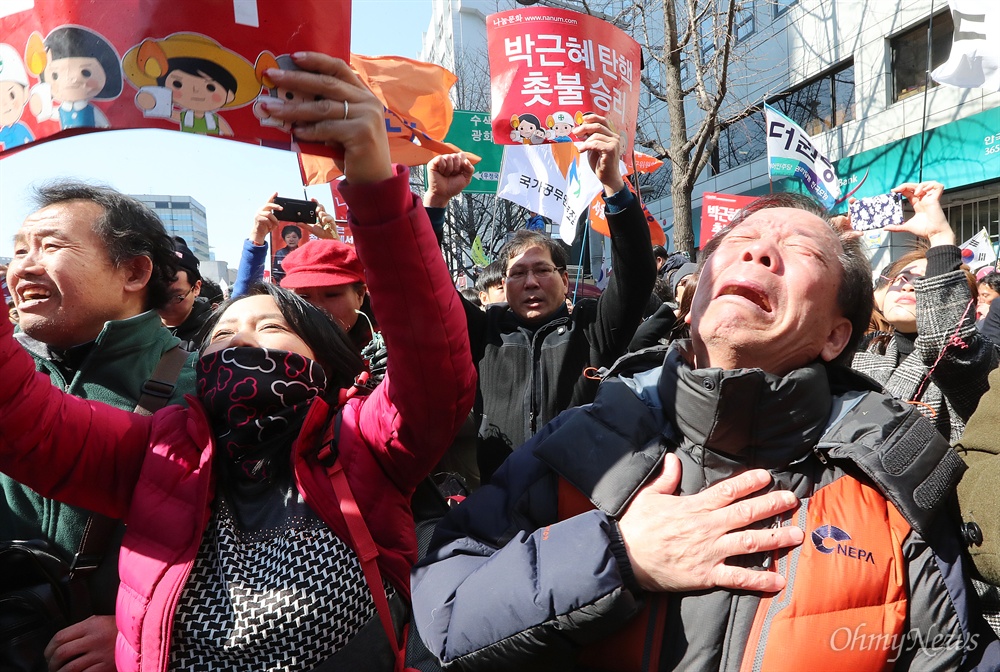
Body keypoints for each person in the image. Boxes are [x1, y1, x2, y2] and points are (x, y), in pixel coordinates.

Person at [0, 52, 475, 672]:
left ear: (323, 359)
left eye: (271, 326)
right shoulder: (159, 454)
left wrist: (373, 180)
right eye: (223, 336)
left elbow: (432, 358)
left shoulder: (365, 444)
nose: (241, 340)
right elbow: (24, 423)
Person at [411, 192, 999, 671]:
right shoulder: (582, 446)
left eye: (802, 252)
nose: (759, 255)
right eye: (740, 242)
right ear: (692, 306)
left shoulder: (896, 482)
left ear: (836, 336)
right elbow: (446, 614)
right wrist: (614, 557)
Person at [3, 182, 194, 672]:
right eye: (19, 250)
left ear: (133, 271)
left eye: (50, 245)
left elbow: (245, 544)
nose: (22, 267)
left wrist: (143, 629)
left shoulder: (199, 388)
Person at [422, 122, 657, 484]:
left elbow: (638, 274)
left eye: (542, 270)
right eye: (517, 273)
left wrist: (614, 186)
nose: (530, 281)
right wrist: (434, 205)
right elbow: (424, 287)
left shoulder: (592, 329)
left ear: (564, 280)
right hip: (500, 507)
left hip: (583, 502)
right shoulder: (483, 334)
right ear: (504, 284)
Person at [852, 182, 998, 443]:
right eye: (901, 277)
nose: (908, 283)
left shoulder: (979, 357)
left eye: (925, 280)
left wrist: (940, 237)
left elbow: (945, 345)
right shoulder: (857, 350)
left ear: (961, 301)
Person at [231, 195, 339, 294]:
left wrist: (333, 241)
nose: (291, 240)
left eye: (331, 295)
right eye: (288, 237)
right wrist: (257, 236)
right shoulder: (280, 253)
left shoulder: (306, 254)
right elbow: (244, 299)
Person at [157, 237, 212, 350]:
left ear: (196, 288)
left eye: (176, 296)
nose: (164, 303)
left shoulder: (213, 332)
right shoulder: (138, 333)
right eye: (158, 294)